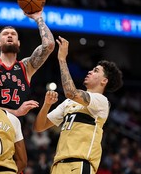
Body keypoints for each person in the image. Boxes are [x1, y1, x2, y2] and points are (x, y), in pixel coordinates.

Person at [33, 36, 123, 174]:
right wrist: (46, 105)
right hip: (57, 166)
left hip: (79, 164)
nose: (90, 72)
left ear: (104, 81)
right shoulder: (69, 103)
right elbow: (39, 127)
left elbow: (71, 93)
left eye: (95, 71)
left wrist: (62, 59)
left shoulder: (101, 101)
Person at [0, 9, 55, 117]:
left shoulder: (26, 67)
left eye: (13, 34)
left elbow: (49, 45)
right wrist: (15, 112)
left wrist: (38, 19)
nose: (9, 35)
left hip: (16, 126)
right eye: (5, 34)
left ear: (18, 43)